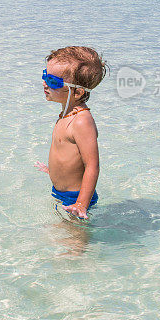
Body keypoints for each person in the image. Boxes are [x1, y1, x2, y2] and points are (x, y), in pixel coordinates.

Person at [35, 47, 107, 220]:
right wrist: (54, 171)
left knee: (75, 243)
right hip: (61, 192)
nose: (45, 83)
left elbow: (92, 165)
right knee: (59, 238)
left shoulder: (82, 121)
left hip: (76, 197)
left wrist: (81, 204)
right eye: (45, 75)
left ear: (78, 91)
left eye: (53, 81)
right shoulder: (66, 114)